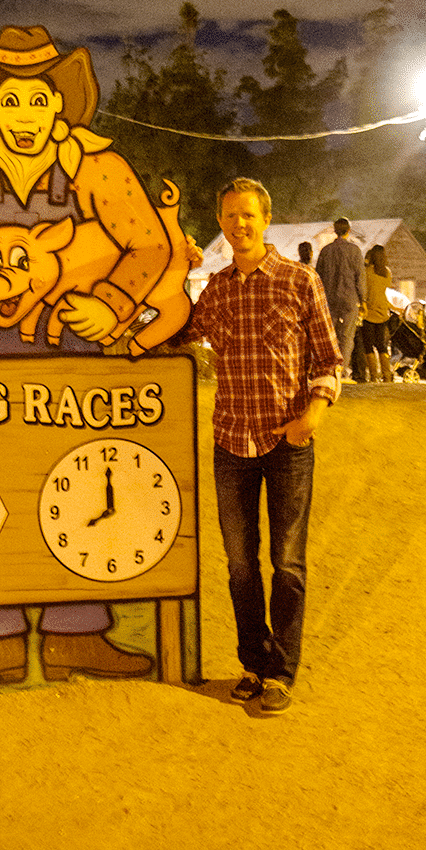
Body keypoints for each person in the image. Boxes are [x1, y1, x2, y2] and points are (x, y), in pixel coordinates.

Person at [0, 24, 186, 688]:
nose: (24, 115)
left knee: (83, 486)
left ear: (59, 105)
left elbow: (153, 244)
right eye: (12, 101)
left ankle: (78, 635)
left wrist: (112, 302)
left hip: (75, 364)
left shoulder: (98, 167)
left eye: (37, 101)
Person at [176, 177, 341, 715]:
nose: (238, 224)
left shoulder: (300, 282)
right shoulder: (217, 289)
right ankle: (253, 662)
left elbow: (329, 359)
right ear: (221, 223)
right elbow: (178, 333)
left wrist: (312, 414)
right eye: (228, 215)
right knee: (240, 564)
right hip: (231, 442)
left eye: (247, 215)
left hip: (288, 442)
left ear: (265, 219)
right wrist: (174, 268)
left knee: (287, 562)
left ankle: (282, 672)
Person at [315, 217, 365, 379]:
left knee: (330, 336)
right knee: (347, 336)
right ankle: (341, 370)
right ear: (348, 230)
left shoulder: (325, 251)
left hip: (329, 299)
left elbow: (318, 277)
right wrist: (363, 299)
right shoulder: (355, 250)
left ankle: (329, 367)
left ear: (334, 230)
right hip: (350, 299)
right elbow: (360, 277)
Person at [360, 244, 395, 382]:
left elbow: (364, 289)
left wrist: (367, 261)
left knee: (368, 345)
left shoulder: (367, 272)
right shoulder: (387, 272)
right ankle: (386, 374)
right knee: (382, 345)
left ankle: (374, 375)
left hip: (369, 312)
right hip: (383, 311)